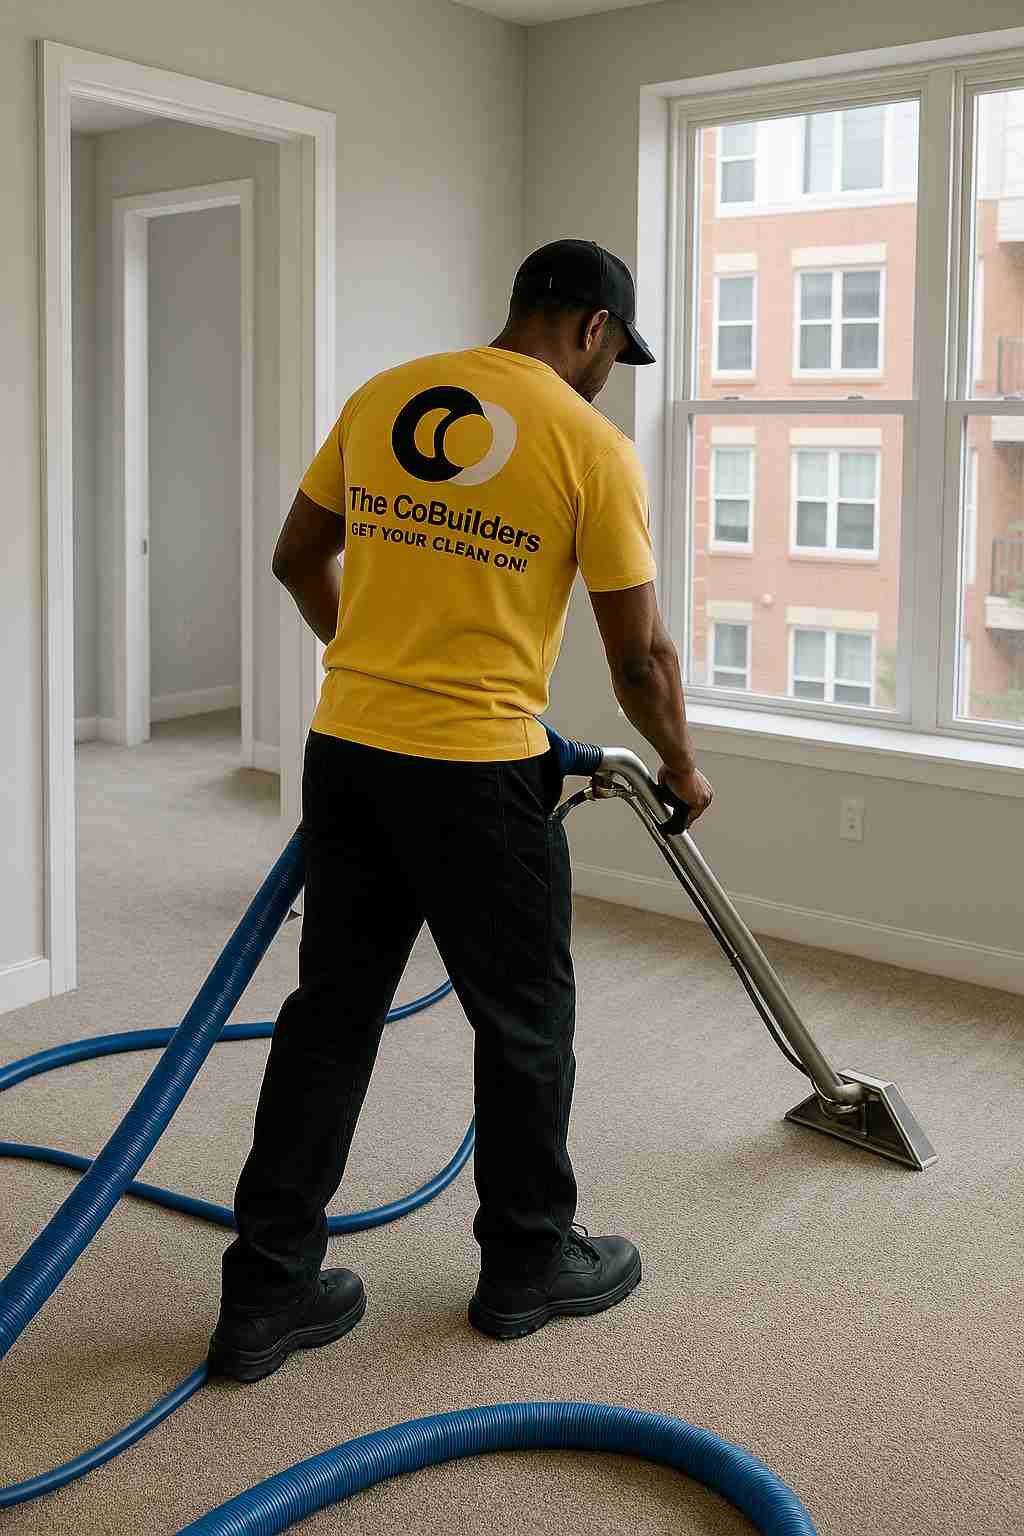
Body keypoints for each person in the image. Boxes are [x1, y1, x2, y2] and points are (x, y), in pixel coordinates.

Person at [207, 239, 715, 1383]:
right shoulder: (590, 445)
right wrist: (681, 766)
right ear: (590, 328)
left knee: (329, 1017)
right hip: (480, 771)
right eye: (612, 353)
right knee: (525, 1024)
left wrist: (375, 661)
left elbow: (298, 558)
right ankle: (527, 1265)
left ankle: (268, 1292)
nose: (607, 374)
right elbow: (639, 661)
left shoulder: (386, 395)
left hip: (346, 750)